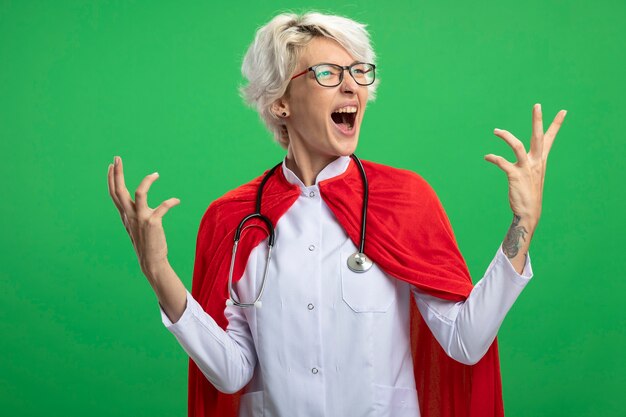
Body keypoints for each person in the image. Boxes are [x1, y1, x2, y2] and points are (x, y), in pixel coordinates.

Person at [106, 11, 566, 417]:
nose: (352, 86)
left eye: (359, 72)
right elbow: (231, 374)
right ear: (279, 101)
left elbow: (465, 342)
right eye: (327, 72)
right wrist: (158, 270)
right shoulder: (234, 219)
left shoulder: (405, 199)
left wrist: (522, 225)